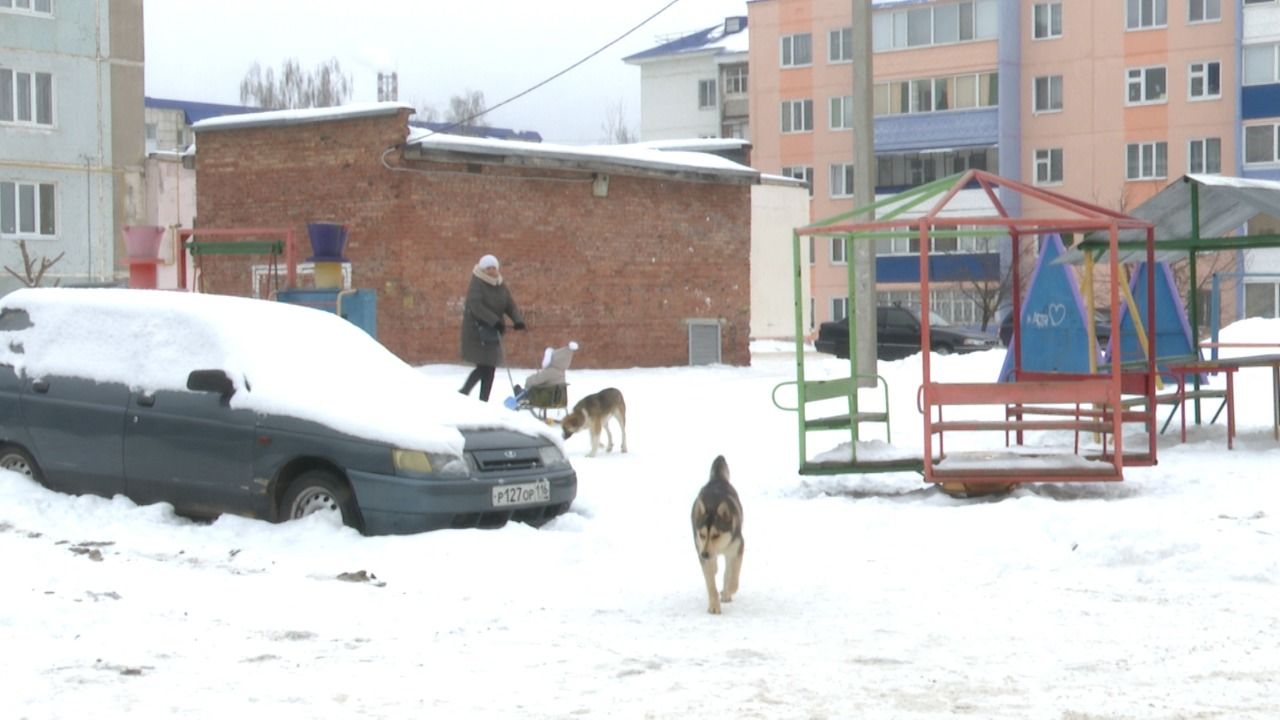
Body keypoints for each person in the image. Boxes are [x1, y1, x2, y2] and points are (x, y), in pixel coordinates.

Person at [459, 254, 525, 401]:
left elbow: (509, 304)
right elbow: (476, 305)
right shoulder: (477, 283)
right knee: (484, 366)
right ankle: (464, 393)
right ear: (482, 269)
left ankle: (482, 400)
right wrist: (494, 320)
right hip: (477, 332)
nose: (491, 270)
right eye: (488, 268)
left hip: (493, 331)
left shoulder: (499, 283)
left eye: (494, 267)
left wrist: (518, 320)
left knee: (490, 367)